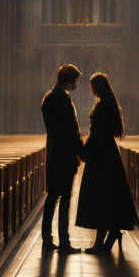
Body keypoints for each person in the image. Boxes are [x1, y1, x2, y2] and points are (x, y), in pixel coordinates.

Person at [75, 71, 138, 252]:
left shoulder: (103, 106)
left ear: (99, 87)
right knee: (107, 196)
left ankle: (100, 243)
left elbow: (97, 133)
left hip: (101, 155)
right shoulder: (109, 103)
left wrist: (84, 149)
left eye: (93, 86)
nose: (91, 89)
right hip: (107, 153)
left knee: (100, 196)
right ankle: (112, 233)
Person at [40, 61, 84, 251]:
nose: (76, 85)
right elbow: (71, 131)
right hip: (64, 156)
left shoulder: (49, 97)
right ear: (68, 81)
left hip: (54, 154)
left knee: (52, 198)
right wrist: (82, 151)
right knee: (64, 198)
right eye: (75, 81)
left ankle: (47, 239)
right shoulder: (63, 100)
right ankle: (64, 242)